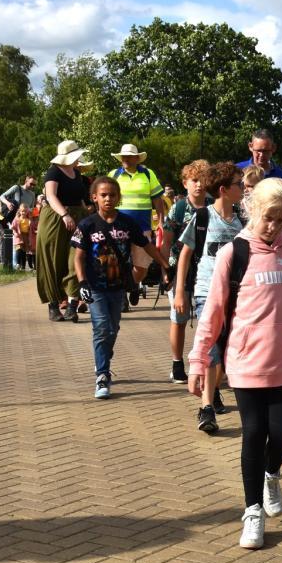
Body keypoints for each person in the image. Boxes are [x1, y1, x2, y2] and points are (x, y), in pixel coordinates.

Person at [187, 177, 282, 549]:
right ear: (252, 210)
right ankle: (252, 512)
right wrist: (198, 360)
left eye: (281, 220)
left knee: (281, 435)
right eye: (268, 218)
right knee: (254, 433)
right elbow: (213, 313)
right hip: (245, 361)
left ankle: (271, 474)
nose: (274, 226)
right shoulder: (234, 253)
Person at [72, 176, 170, 400]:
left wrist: (165, 265)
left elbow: (146, 246)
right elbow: (78, 257)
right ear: (94, 197)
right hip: (95, 287)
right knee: (102, 328)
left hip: (118, 287)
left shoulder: (127, 223)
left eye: (112, 195)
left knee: (112, 328)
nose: (108, 199)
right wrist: (82, 282)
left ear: (119, 198)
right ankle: (102, 375)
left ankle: (104, 353)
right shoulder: (87, 225)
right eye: (103, 195)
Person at [176, 162, 245, 433]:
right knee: (211, 347)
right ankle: (206, 408)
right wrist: (180, 291)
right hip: (207, 291)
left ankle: (214, 388)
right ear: (223, 189)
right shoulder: (203, 217)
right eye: (238, 184)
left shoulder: (243, 220)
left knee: (226, 348)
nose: (243, 188)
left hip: (236, 294)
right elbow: (185, 255)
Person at [160, 159, 211, 385]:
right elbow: (166, 241)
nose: (199, 185)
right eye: (194, 180)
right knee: (179, 318)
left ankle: (206, 363)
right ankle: (177, 363)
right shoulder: (179, 208)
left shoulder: (214, 206)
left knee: (207, 321)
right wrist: (165, 269)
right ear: (185, 183)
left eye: (203, 180)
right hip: (180, 270)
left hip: (207, 271)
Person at [108, 143, 167, 309]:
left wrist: (161, 221)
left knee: (142, 266)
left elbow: (157, 200)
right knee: (118, 263)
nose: (125, 159)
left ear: (136, 158)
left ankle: (133, 285)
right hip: (118, 227)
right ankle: (122, 295)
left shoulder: (148, 174)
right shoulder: (113, 175)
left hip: (142, 227)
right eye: (123, 156)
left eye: (129, 156)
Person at [38, 140, 90, 322]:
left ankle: (72, 306)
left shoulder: (77, 173)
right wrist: (65, 215)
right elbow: (50, 196)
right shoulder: (53, 172)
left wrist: (87, 216)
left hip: (78, 218)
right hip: (55, 219)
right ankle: (53, 306)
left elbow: (81, 199)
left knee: (76, 259)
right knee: (53, 261)